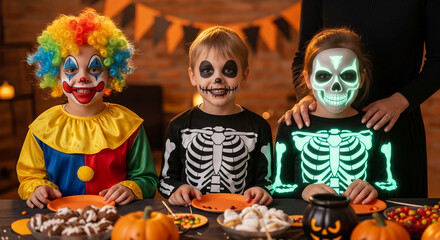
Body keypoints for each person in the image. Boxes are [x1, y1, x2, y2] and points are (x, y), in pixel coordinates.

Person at [280, 0, 440, 198]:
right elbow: (302, 57)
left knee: (400, 220)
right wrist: (307, 95)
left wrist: (401, 101)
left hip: (396, 122)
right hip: (328, 120)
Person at [17, 8, 159, 208]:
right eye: (71, 69)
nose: (82, 77)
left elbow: (147, 179)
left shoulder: (129, 125)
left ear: (110, 75)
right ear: (57, 76)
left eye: (94, 69)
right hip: (59, 221)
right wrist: (37, 189)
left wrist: (131, 187)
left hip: (115, 219)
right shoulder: (42, 128)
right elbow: (29, 177)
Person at [273, 28, 399, 204]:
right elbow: (275, 186)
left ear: (361, 79)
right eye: (324, 76)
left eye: (347, 75)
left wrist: (374, 189)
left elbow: (393, 186)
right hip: (305, 220)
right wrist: (304, 189)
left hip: (362, 221)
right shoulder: (292, 125)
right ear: (308, 79)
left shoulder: (374, 124)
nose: (336, 86)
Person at [159, 26, 274, 206]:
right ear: (193, 76)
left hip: (241, 215)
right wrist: (177, 189)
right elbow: (165, 180)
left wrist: (262, 191)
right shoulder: (179, 126)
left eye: (228, 70)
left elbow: (268, 181)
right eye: (207, 70)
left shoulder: (259, 127)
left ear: (244, 75)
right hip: (192, 213)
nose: (218, 79)